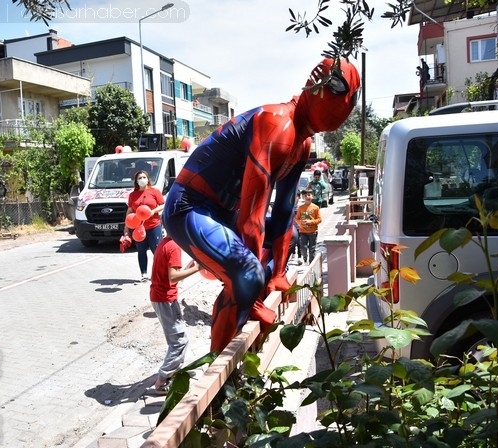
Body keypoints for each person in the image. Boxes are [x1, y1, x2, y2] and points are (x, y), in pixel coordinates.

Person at [162, 57, 360, 352]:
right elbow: (251, 219)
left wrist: (277, 275)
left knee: (283, 243)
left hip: (222, 212)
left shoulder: (302, 143)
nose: (342, 102)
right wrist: (255, 289)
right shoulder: (277, 125)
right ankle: (221, 366)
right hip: (189, 206)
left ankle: (239, 310)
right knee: (248, 273)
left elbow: (283, 213)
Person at [150, 236, 200, 394]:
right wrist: (199, 268)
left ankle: (174, 371)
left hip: (163, 297)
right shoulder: (173, 246)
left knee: (180, 338)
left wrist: (190, 266)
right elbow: (173, 277)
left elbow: (172, 272)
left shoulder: (166, 242)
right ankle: (162, 381)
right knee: (179, 341)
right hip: (165, 299)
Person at [124, 170, 165, 281]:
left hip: (154, 226)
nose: (142, 179)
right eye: (139, 178)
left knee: (156, 251)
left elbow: (163, 205)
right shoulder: (133, 195)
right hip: (139, 228)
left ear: (147, 179)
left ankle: (159, 273)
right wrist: (126, 229)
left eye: (144, 177)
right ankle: (144, 274)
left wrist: (153, 211)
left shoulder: (154, 192)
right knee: (141, 250)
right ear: (136, 181)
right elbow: (130, 211)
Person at [295, 189, 322, 264]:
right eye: (305, 195)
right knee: (303, 247)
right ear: (302, 197)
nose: (307, 197)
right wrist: (300, 223)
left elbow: (319, 219)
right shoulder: (301, 208)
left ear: (312, 196)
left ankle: (311, 263)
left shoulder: (315, 208)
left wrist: (311, 222)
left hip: (313, 232)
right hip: (303, 231)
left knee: (312, 248)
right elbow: (296, 218)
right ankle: (305, 258)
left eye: (309, 195)